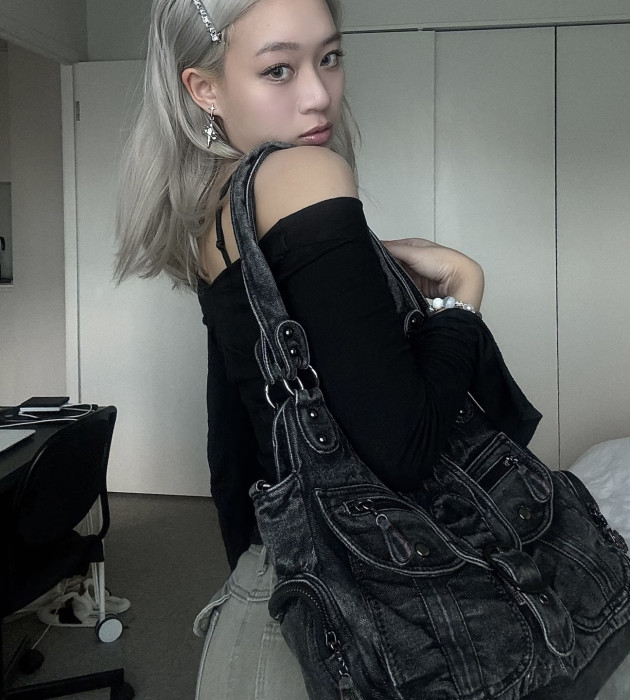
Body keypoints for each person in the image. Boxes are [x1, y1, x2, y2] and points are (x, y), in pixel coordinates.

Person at [115, 0, 541, 697]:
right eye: (278, 69)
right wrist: (461, 296)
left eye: (330, 57)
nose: (319, 95)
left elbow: (235, 433)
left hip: (274, 593)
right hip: (368, 611)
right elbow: (406, 448)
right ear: (205, 88)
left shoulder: (212, 212)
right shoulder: (303, 175)